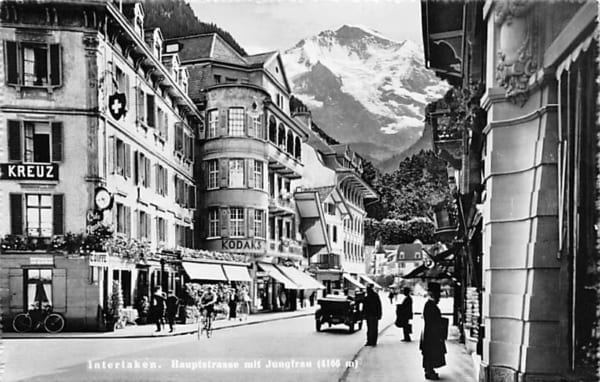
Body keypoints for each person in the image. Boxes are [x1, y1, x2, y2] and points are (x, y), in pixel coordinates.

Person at [420, 283, 447, 380]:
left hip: (430, 333)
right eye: (438, 294)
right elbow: (433, 321)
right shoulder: (431, 305)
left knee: (429, 353)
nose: (439, 297)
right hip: (432, 334)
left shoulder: (430, 304)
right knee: (431, 353)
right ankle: (429, 371)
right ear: (433, 294)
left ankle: (429, 370)